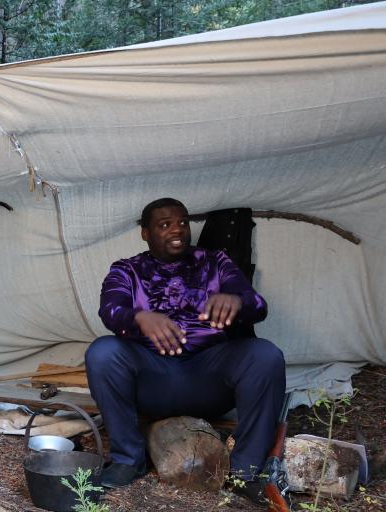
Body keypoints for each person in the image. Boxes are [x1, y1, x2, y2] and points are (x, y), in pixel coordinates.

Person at [85, 198, 286, 506]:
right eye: (164, 225)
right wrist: (138, 318)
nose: (176, 230)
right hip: (153, 380)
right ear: (145, 233)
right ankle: (128, 460)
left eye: (182, 222)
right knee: (102, 352)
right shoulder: (127, 270)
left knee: (265, 355)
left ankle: (245, 472)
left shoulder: (216, 262)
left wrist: (238, 302)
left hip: (209, 378)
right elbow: (110, 311)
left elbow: (257, 305)